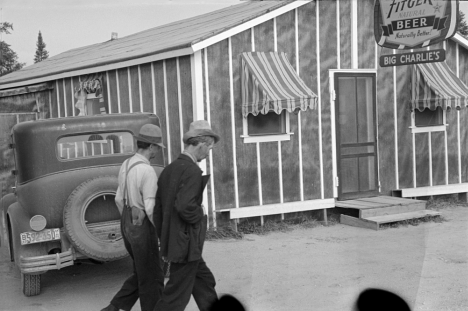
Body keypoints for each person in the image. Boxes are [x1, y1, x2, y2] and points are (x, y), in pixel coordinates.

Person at [153, 120, 220, 311]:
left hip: (178, 242)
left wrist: (166, 236)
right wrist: (200, 214)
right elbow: (185, 207)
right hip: (186, 245)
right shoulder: (191, 171)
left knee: (205, 282)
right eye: (208, 148)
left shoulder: (169, 170)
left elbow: (158, 211)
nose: (208, 153)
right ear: (200, 144)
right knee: (175, 297)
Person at [101, 124, 165, 311]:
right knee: (153, 275)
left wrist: (129, 222)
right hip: (142, 224)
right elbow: (151, 208)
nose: (157, 152)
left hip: (127, 222)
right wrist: (161, 233)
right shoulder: (147, 171)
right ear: (152, 147)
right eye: (157, 148)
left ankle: (114, 307)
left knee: (142, 271)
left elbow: (119, 199)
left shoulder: (126, 164)